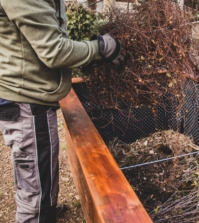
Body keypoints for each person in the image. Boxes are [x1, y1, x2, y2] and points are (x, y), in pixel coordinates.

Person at [0, 0, 125, 222]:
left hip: (28, 93)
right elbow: (54, 51)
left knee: (36, 169)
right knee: (35, 181)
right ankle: (38, 213)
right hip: (27, 99)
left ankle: (44, 204)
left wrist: (84, 54)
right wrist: (100, 48)